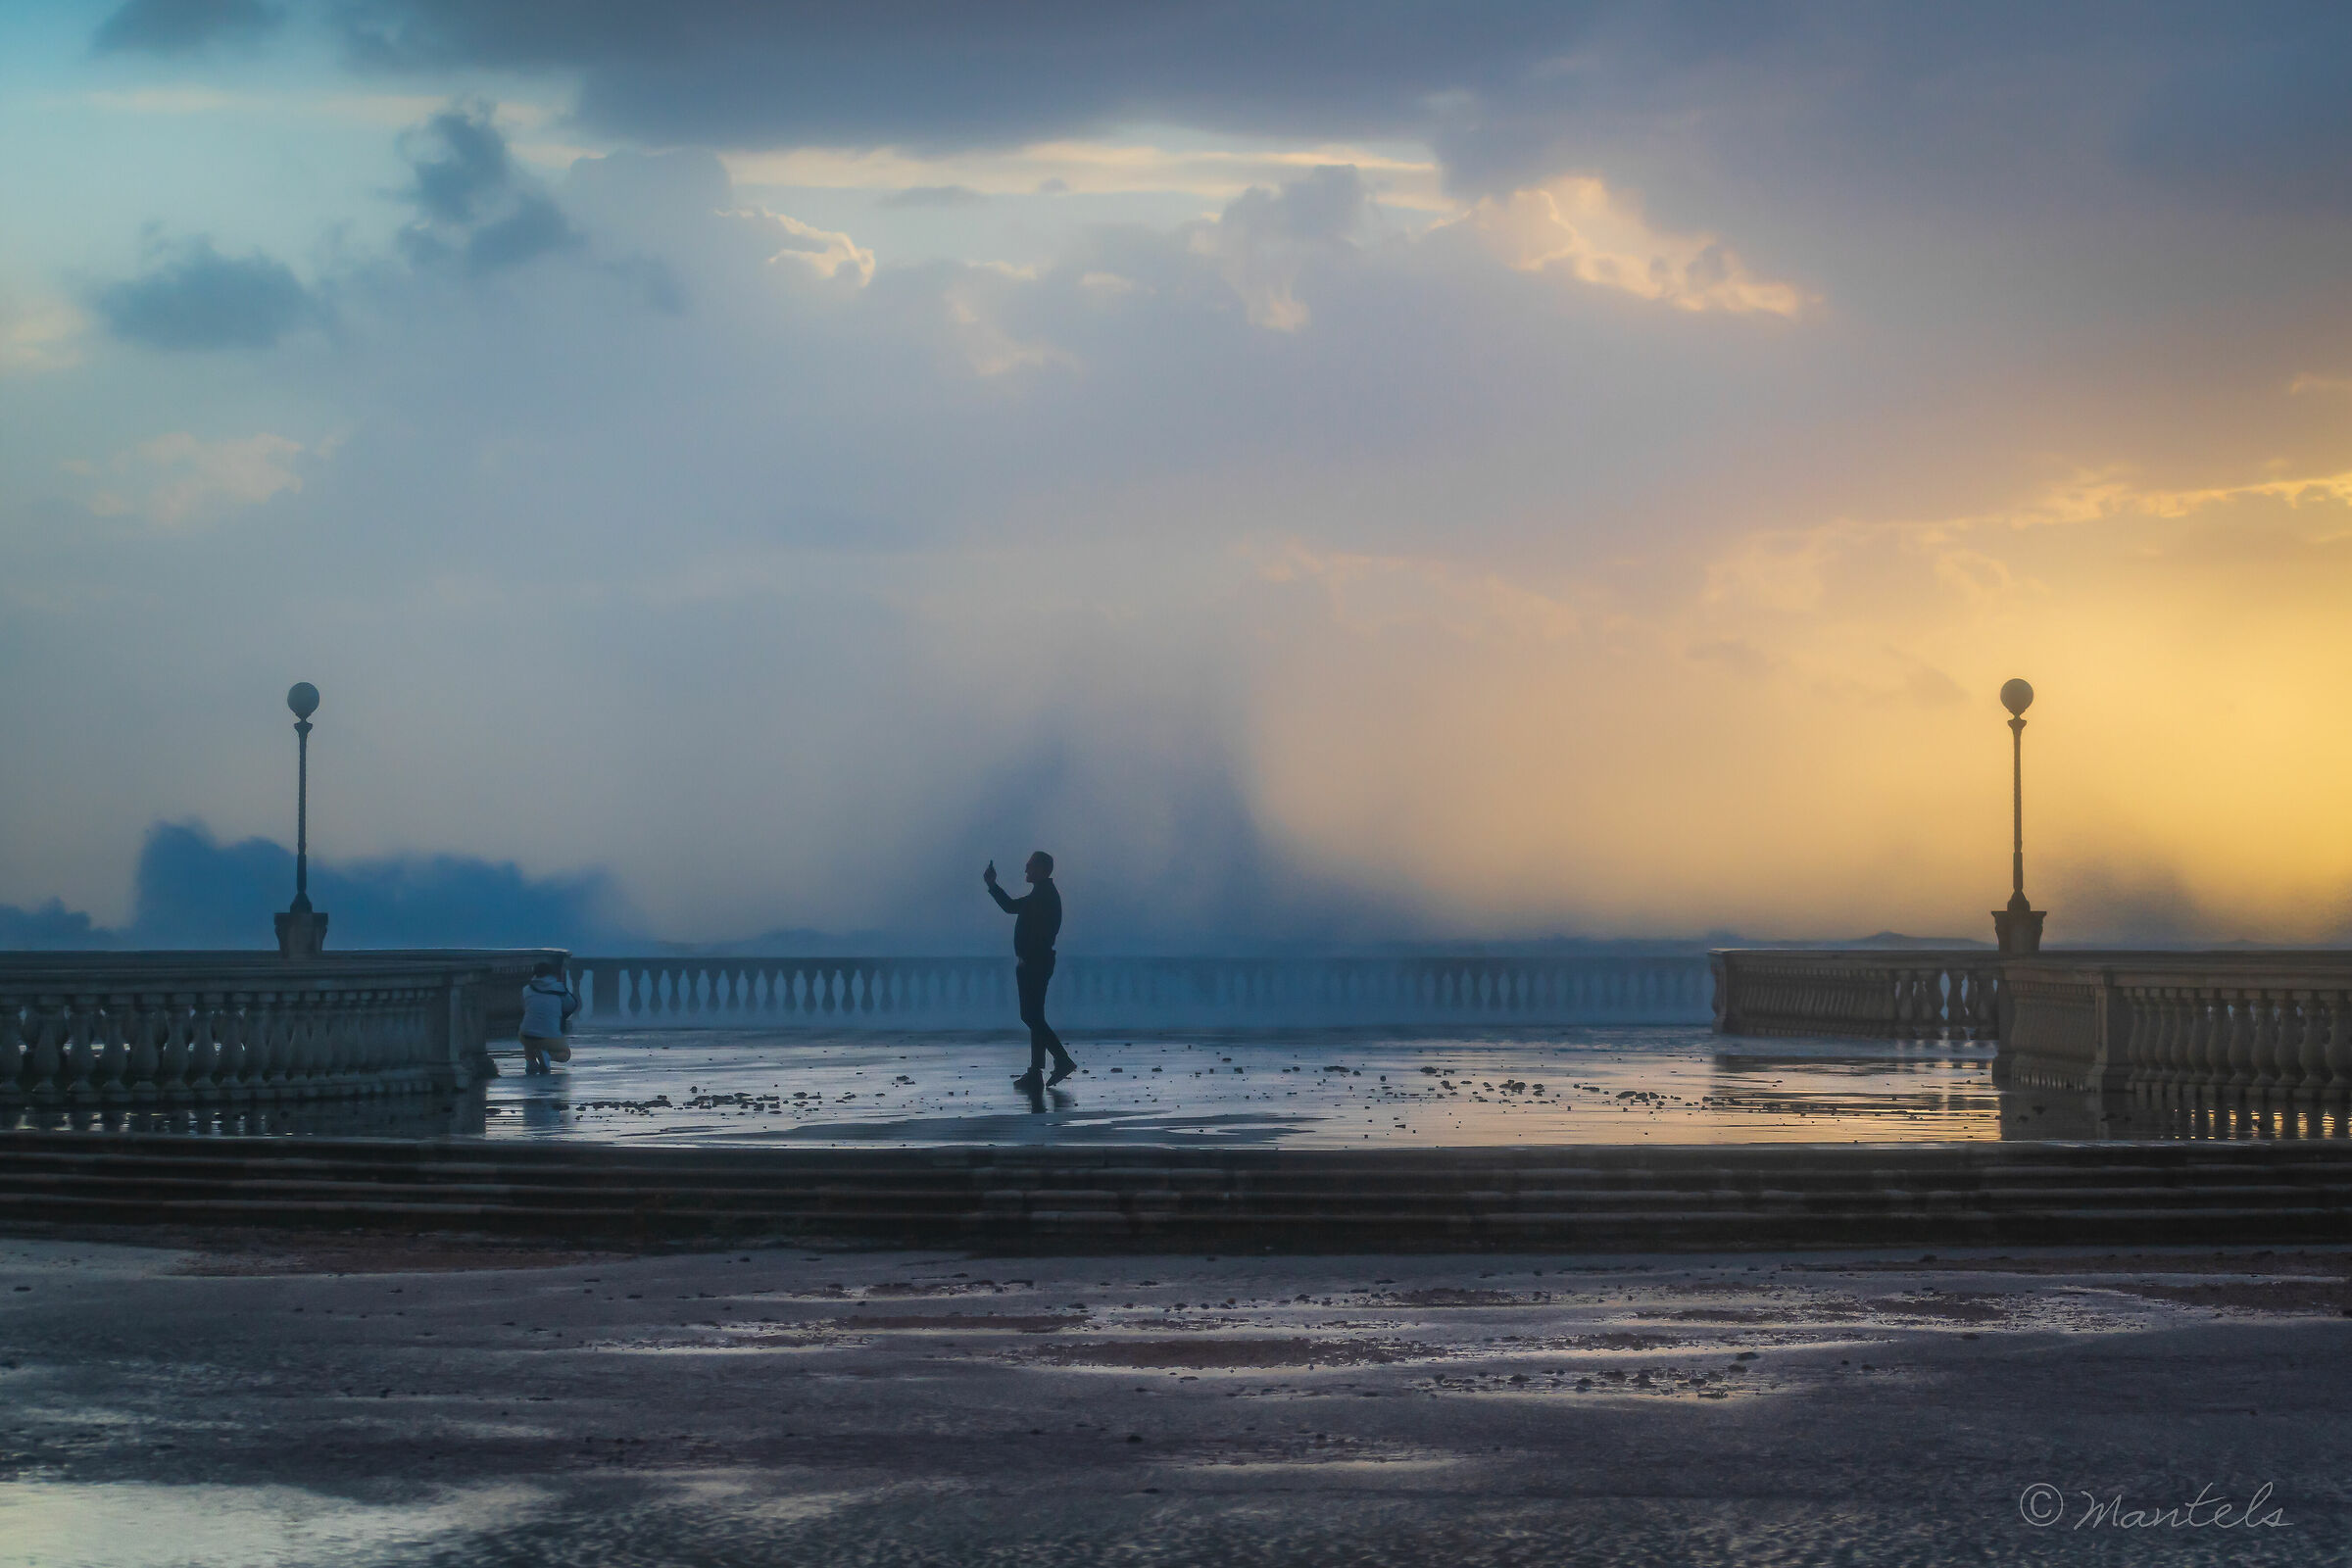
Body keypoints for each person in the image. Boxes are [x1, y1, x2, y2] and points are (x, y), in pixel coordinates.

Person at [985, 851, 1074, 1088]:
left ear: (1042, 870)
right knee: (1036, 1015)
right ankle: (1036, 1071)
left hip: (1035, 962)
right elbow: (1012, 906)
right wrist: (992, 885)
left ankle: (1062, 1059)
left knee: (1030, 1015)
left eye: (1030, 866)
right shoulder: (1042, 894)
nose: (1026, 870)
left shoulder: (1043, 896)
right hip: (1038, 961)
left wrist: (1027, 957)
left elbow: (1039, 932)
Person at [519, 959, 580, 1075]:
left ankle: (531, 1061)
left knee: (529, 1032)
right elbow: (571, 1005)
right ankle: (547, 1055)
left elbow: (525, 1008)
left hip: (526, 1035)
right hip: (549, 1035)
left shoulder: (527, 989)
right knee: (565, 1054)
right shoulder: (558, 989)